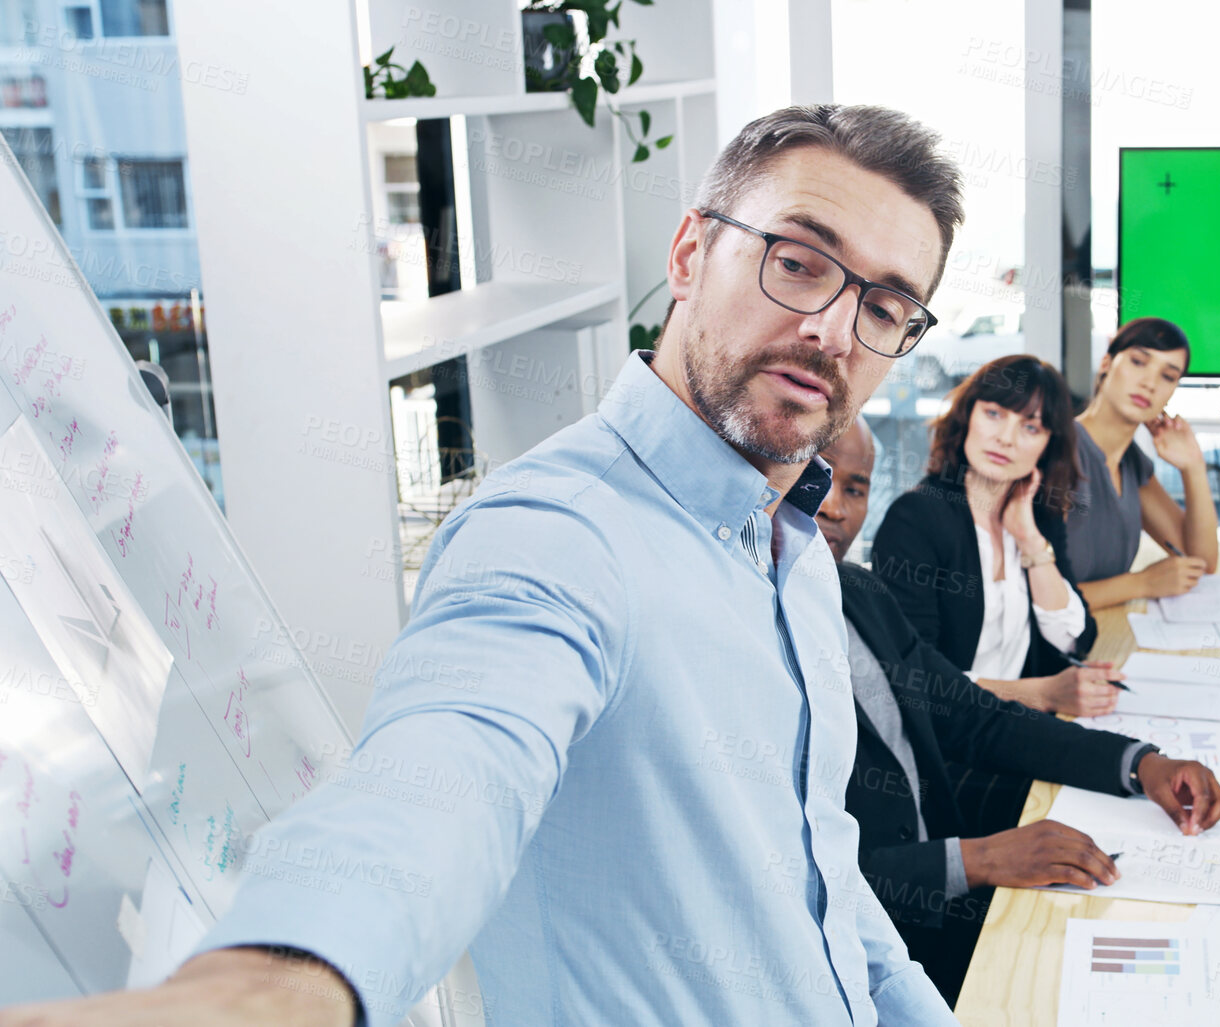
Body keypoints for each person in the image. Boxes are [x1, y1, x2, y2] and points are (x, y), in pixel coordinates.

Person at [0, 105, 965, 1027]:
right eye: (798, 264)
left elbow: (816, 870)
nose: (834, 330)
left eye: (884, 307)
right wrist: (278, 985)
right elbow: (437, 787)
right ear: (688, 254)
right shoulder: (553, 535)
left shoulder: (791, 547)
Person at [814, 417, 1220, 1005]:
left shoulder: (857, 593)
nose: (832, 506)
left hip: (941, 909)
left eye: (854, 488)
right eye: (816, 473)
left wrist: (1139, 765)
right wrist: (978, 858)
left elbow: (978, 718)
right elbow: (795, 880)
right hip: (863, 960)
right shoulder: (735, 654)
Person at [870, 354, 1114, 717]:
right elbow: (914, 678)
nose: (1006, 438)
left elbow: (1075, 639)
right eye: (994, 414)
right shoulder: (916, 519)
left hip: (1016, 729)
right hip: (947, 747)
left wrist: (1030, 541)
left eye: (1031, 428)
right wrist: (1040, 694)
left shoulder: (1038, 516)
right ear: (967, 415)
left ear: (1049, 444)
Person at [1069, 318, 1219, 610]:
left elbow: (1200, 561)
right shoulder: (1058, 450)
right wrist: (1142, 583)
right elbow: (1032, 599)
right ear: (1106, 363)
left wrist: (1193, 467)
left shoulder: (1132, 464)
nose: (1149, 383)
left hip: (1106, 635)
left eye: (1168, 376)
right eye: (1138, 362)